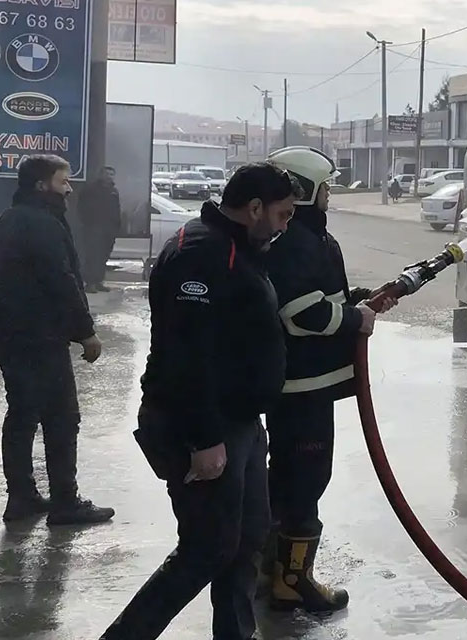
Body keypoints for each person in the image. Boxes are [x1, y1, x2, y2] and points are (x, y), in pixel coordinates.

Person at [100, 162, 300, 640]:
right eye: (283, 215)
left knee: (248, 539)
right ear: (254, 208)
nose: (285, 225)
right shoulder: (201, 254)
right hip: (202, 426)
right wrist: (204, 439)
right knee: (207, 549)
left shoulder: (240, 247)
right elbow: (185, 356)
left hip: (242, 424)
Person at [261, 146, 390, 613]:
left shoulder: (306, 235)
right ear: (305, 189)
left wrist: (356, 299)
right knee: (305, 481)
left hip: (306, 386)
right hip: (302, 389)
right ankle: (292, 582)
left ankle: (268, 568)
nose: (331, 195)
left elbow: (322, 296)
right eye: (326, 187)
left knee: (287, 479)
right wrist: (354, 320)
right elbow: (302, 313)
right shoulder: (295, 241)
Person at [0, 154, 115, 526]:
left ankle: (22, 498)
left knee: (23, 414)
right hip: (40, 336)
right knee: (62, 417)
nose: (69, 188)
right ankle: (65, 502)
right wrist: (86, 332)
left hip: (10, 336)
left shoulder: (8, 219)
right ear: (42, 186)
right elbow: (61, 280)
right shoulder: (42, 223)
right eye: (63, 182)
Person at [78, 166, 122, 292]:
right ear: (101, 175)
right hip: (94, 228)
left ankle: (98, 281)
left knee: (104, 256)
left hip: (109, 229)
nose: (109, 176)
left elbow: (116, 209)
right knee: (93, 255)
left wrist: (117, 225)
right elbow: (82, 206)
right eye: (106, 173)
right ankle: (90, 283)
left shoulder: (113, 191)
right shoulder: (91, 189)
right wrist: (88, 221)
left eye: (111, 174)